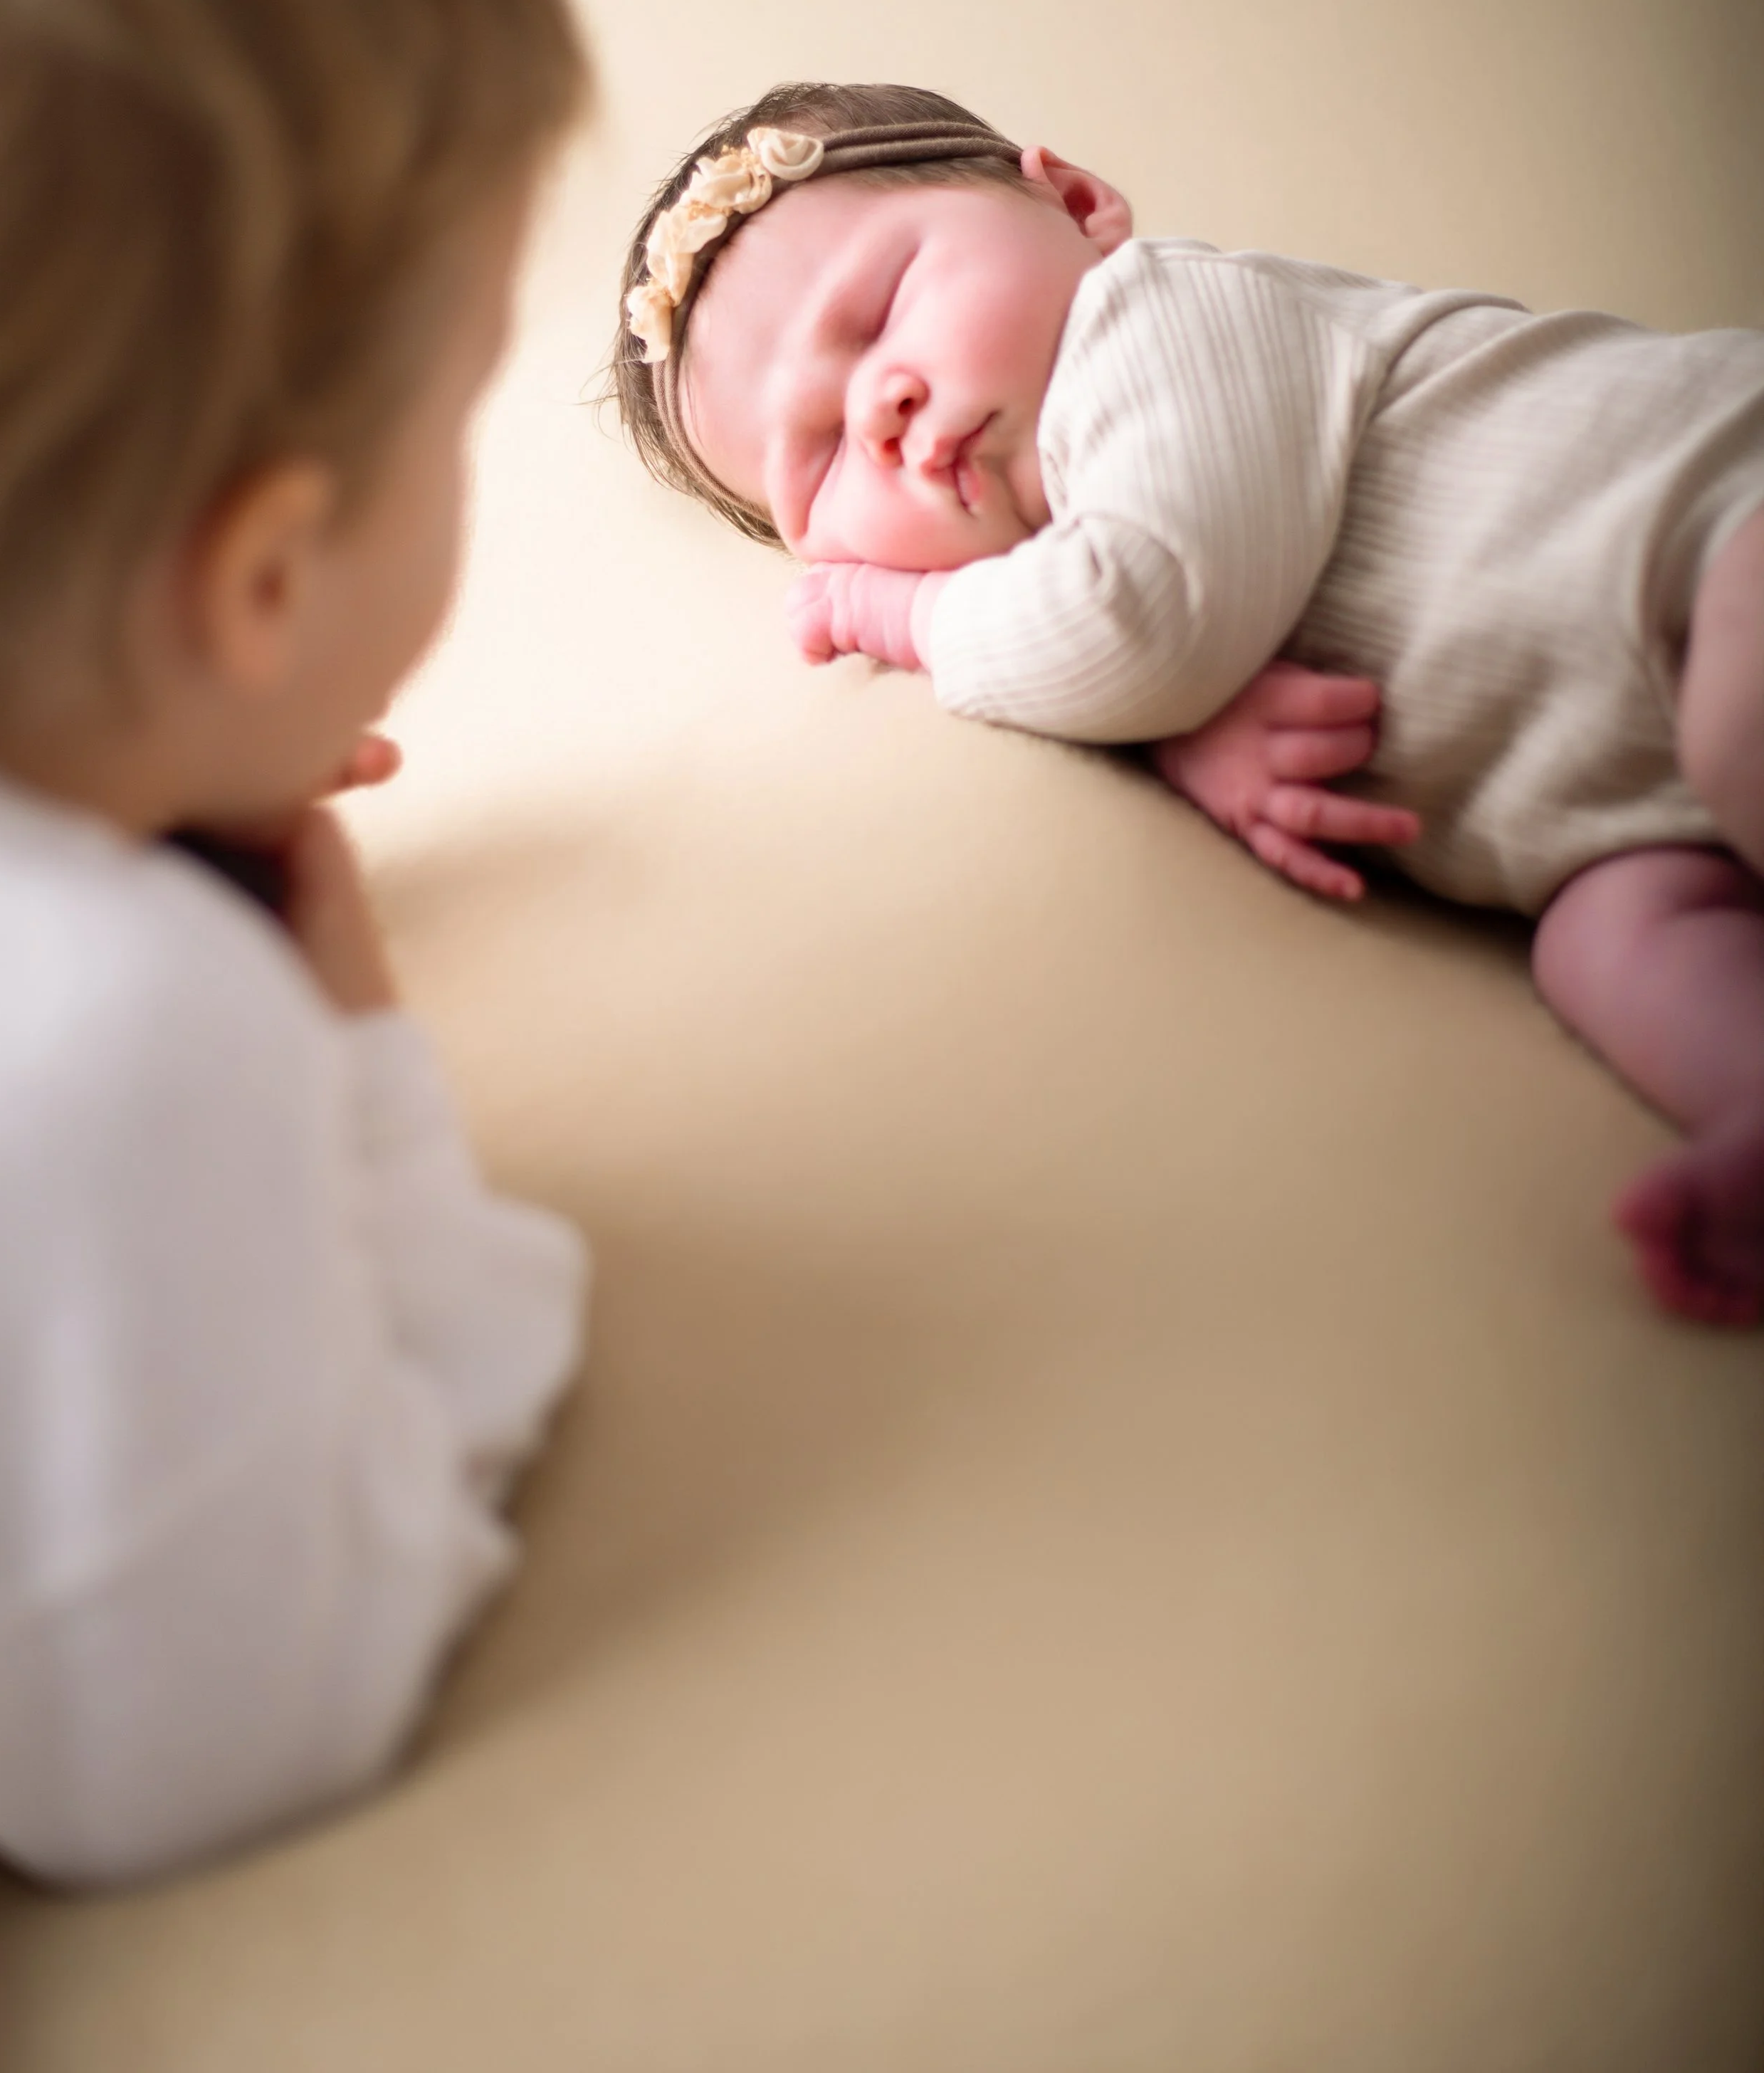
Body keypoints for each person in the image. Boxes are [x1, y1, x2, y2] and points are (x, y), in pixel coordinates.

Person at [611, 82, 1764, 1329]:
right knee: (1613, 943)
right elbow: (1145, 635)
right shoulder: (1093, 584)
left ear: (1077, 202)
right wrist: (1168, 734)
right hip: (1627, 817)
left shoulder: (1158, 315)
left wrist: (911, 619)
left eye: (886, 307)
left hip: (1722, 534)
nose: (880, 410)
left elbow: (1146, 626)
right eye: (819, 456)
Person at [0, 0, 591, 1885]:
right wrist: (354, 1081)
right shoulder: (129, 1034)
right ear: (259, 575)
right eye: (462, 414)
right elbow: (216, 1743)